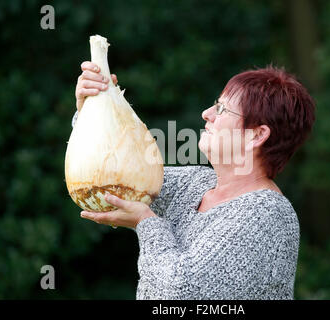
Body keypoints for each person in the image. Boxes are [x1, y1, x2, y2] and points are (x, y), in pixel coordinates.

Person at [74, 61, 316, 299]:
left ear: (257, 135)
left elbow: (182, 294)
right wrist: (92, 108)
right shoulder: (195, 182)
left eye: (221, 109)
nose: (207, 114)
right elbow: (111, 174)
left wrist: (146, 222)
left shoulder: (267, 214)